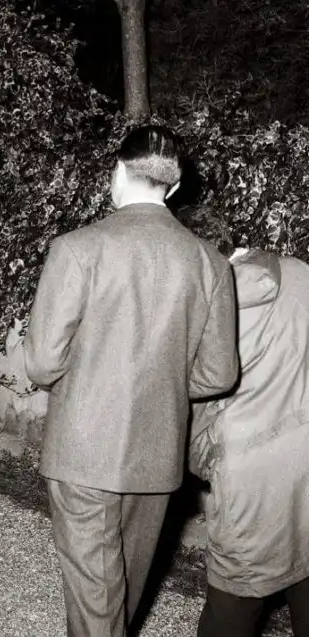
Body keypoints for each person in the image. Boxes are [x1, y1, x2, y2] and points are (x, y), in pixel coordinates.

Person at [23, 125, 239, 636]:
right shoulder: (210, 263)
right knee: (118, 604)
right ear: (174, 184)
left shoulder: (78, 248)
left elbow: (43, 363)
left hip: (84, 453)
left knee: (99, 609)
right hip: (156, 457)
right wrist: (159, 384)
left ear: (118, 170)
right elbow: (218, 373)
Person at [180, 206, 309, 637]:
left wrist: (204, 458)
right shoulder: (299, 273)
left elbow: (190, 404)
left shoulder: (200, 309)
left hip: (247, 479)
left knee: (234, 602)